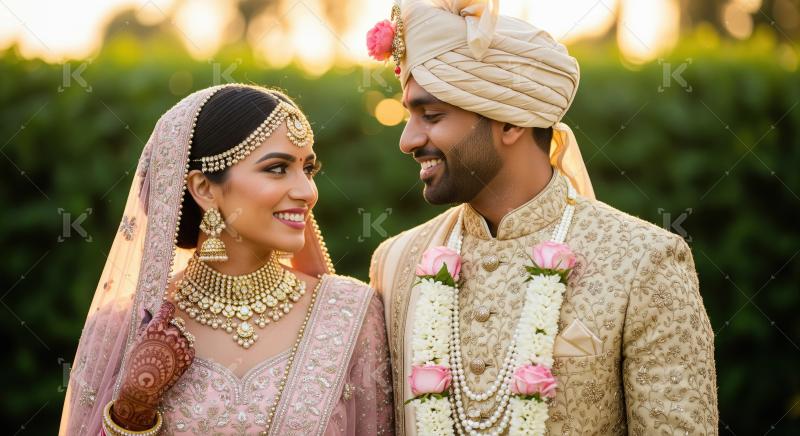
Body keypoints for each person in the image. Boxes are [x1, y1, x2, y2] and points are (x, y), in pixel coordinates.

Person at [367, 0, 718, 434]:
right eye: (409, 115)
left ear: (511, 122)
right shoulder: (395, 264)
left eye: (432, 116)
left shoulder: (643, 262)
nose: (407, 140)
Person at [59, 84, 393, 435]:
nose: (307, 192)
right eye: (277, 168)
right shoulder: (128, 327)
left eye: (308, 169)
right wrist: (132, 410)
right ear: (204, 188)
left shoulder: (350, 314)